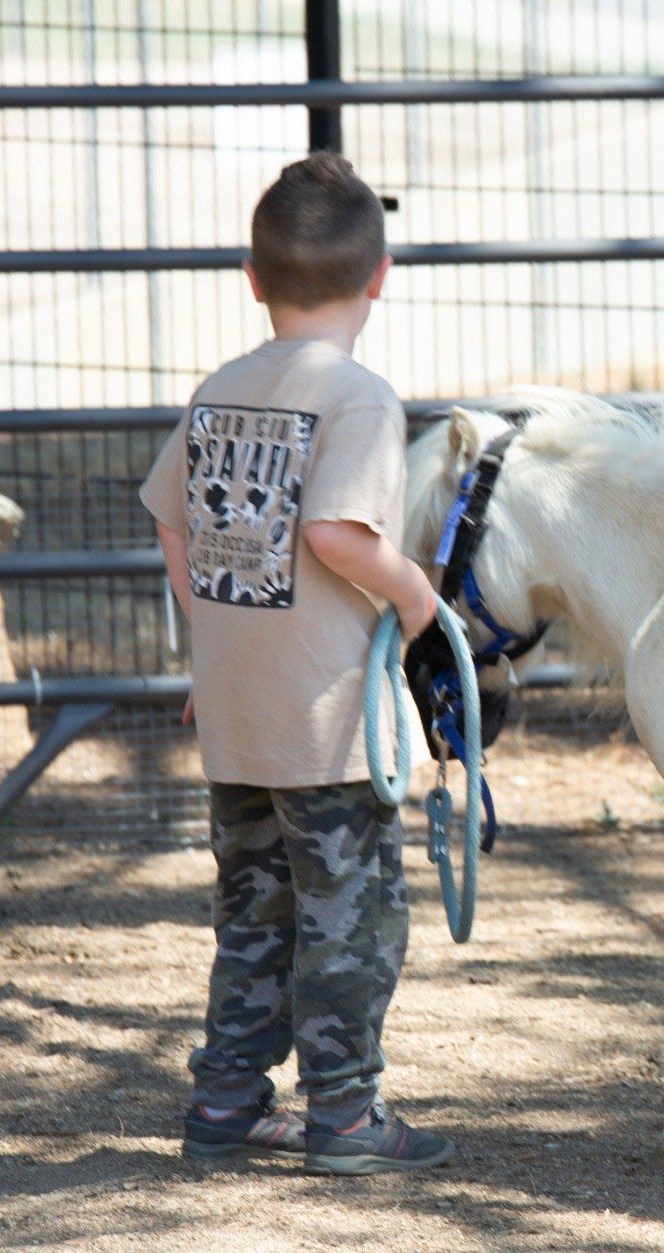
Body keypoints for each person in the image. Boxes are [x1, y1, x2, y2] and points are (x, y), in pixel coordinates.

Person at [141, 153, 451, 1173]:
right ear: (381, 276)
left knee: (252, 909)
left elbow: (172, 523)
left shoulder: (221, 388)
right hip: (328, 726)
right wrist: (414, 593)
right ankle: (348, 1114)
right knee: (351, 917)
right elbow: (335, 532)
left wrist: (216, 641)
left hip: (238, 715)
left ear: (252, 275)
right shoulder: (359, 397)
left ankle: (227, 1098)